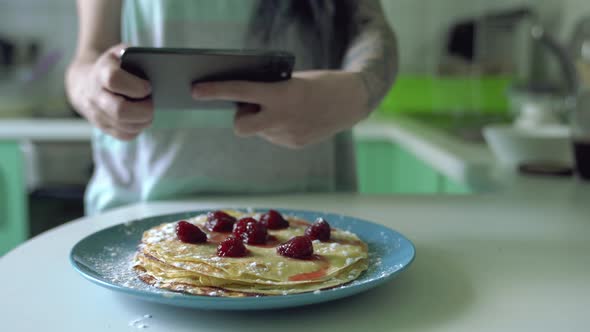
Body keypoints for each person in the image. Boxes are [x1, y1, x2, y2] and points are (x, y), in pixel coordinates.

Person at [66, 0, 398, 215]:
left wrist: (356, 92)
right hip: (139, 210)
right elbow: (87, 57)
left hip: (308, 213)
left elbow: (371, 30)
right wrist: (91, 90)